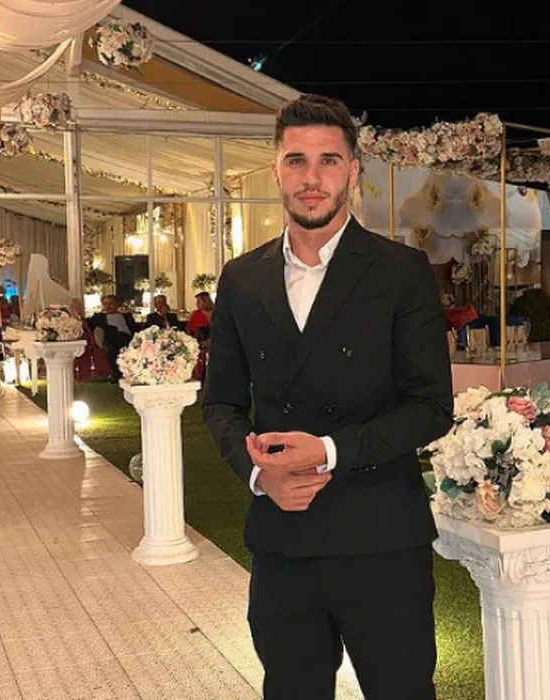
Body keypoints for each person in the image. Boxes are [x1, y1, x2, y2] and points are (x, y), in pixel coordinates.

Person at [202, 94, 453, 699]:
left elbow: (431, 406)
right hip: (283, 542)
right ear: (276, 171)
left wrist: (329, 450)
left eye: (328, 161)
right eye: (297, 161)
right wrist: (260, 477)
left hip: (381, 539)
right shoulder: (242, 278)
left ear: (352, 171)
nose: (311, 178)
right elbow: (221, 403)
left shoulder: (401, 271)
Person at [86, 294, 136, 382]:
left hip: (126, 338)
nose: (108, 306)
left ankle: (124, 374)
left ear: (117, 304)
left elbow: (135, 328)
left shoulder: (126, 316)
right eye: (105, 304)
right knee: (110, 348)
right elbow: (86, 324)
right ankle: (117, 375)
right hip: (110, 339)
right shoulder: (99, 317)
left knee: (120, 343)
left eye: (111, 303)